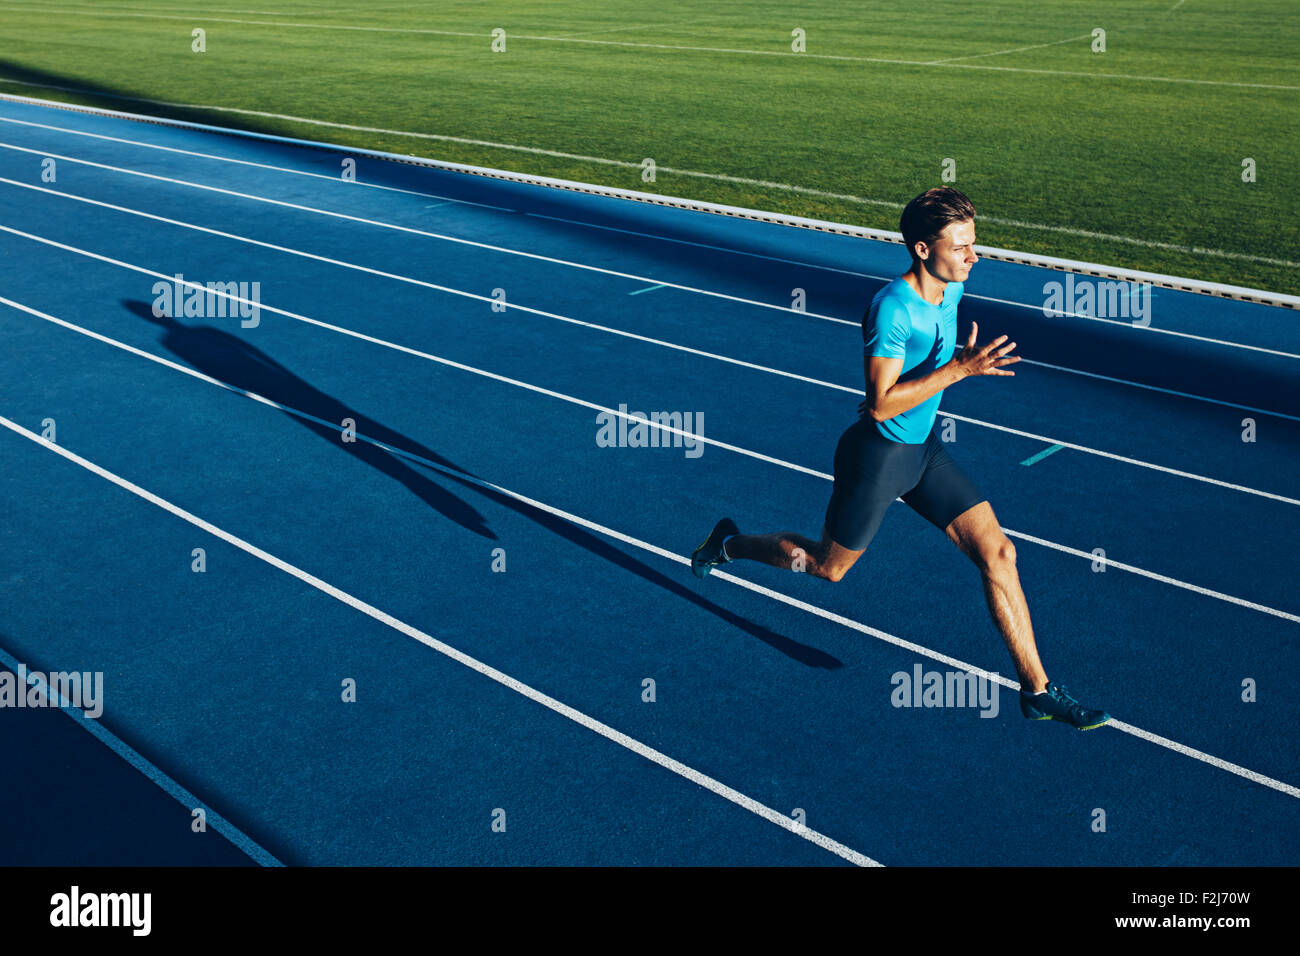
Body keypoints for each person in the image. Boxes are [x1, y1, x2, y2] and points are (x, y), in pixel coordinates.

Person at [691, 187, 1110, 730]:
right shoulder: (891, 308)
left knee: (999, 553)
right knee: (828, 568)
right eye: (960, 247)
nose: (973, 257)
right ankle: (727, 543)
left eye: (973, 244)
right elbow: (882, 403)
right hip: (878, 458)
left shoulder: (950, 293)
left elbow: (909, 379)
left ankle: (1038, 690)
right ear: (921, 249)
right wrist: (959, 370)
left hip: (924, 452)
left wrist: (949, 365)